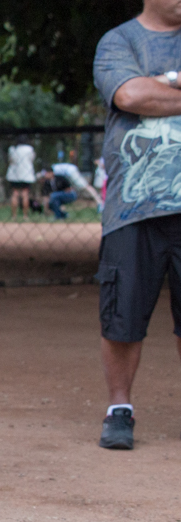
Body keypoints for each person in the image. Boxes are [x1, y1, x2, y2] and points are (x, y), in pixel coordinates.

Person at [93, 0, 181, 449]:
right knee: (121, 315)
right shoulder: (120, 41)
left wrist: (163, 86)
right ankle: (119, 407)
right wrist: (151, 89)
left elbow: (146, 94)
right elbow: (129, 95)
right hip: (133, 207)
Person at [6, 134, 35, 220]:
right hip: (26, 174)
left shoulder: (12, 149)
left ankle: (14, 216)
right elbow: (31, 159)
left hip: (14, 174)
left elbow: (10, 160)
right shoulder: (29, 149)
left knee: (15, 194)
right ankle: (25, 216)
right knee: (25, 194)